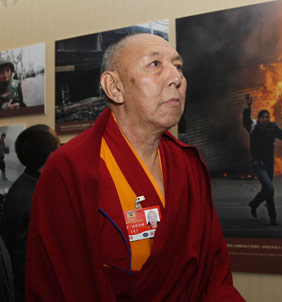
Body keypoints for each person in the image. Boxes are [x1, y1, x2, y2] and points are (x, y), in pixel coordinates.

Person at [26, 33, 244, 301]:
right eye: (155, 64)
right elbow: (59, 285)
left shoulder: (187, 164)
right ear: (114, 87)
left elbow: (214, 271)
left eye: (178, 66)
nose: (176, 78)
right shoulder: (71, 170)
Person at [0, 124, 60, 302]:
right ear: (52, 157)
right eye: (59, 146)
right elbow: (25, 267)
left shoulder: (24, 185)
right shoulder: (35, 199)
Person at [243, 94, 282, 226]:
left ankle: (266, 213)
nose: (266, 119)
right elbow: (245, 120)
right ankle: (264, 210)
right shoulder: (253, 127)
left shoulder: (273, 128)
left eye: (267, 117)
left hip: (269, 163)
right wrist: (248, 107)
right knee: (269, 188)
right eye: (263, 117)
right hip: (257, 164)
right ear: (259, 118)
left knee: (268, 190)